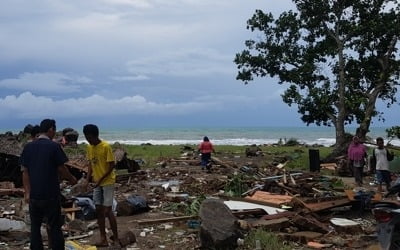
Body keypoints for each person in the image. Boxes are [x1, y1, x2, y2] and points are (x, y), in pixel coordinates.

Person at [20, 119, 77, 250]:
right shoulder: (54, 146)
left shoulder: (28, 147)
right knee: (54, 226)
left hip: (34, 195)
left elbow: (25, 172)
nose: (55, 133)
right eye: (54, 130)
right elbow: (62, 169)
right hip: (51, 194)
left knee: (35, 227)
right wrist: (72, 179)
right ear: (51, 129)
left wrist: (27, 192)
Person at [83, 124, 119, 247]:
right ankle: (103, 238)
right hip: (97, 183)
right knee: (98, 209)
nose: (88, 140)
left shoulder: (105, 147)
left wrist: (100, 179)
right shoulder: (89, 147)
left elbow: (111, 166)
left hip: (107, 181)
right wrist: (87, 180)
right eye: (86, 138)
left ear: (95, 136)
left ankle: (117, 238)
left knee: (108, 211)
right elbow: (90, 165)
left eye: (90, 138)